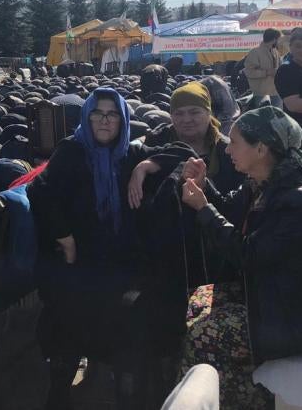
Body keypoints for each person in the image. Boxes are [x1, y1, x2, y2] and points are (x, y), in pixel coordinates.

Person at [180, 106, 302, 409]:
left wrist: (202, 210)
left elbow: (247, 254)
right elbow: (231, 212)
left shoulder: (297, 199)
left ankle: (245, 399)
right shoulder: (264, 182)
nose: (227, 148)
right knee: (195, 301)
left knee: (200, 334)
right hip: (280, 294)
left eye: (234, 142)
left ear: (261, 148)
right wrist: (204, 188)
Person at [28, 87, 188, 409]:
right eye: (97, 113)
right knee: (66, 322)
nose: (104, 120)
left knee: (128, 325)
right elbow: (40, 191)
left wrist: (145, 168)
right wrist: (66, 237)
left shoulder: (130, 155)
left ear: (123, 120)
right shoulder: (72, 151)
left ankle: (124, 396)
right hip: (78, 260)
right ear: (87, 118)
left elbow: (182, 152)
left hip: (120, 261)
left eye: (112, 114)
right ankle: (59, 394)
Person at [131, 81, 243, 202]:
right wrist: (139, 167)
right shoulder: (156, 141)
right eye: (179, 113)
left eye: (194, 112)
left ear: (208, 113)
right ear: (171, 117)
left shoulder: (228, 152)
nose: (187, 119)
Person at [243, 28, 282, 107]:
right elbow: (249, 72)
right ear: (274, 39)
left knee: (278, 117)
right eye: (278, 39)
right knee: (264, 117)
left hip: (276, 91)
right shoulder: (255, 52)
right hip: (261, 93)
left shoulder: (275, 52)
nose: (279, 42)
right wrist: (267, 72)